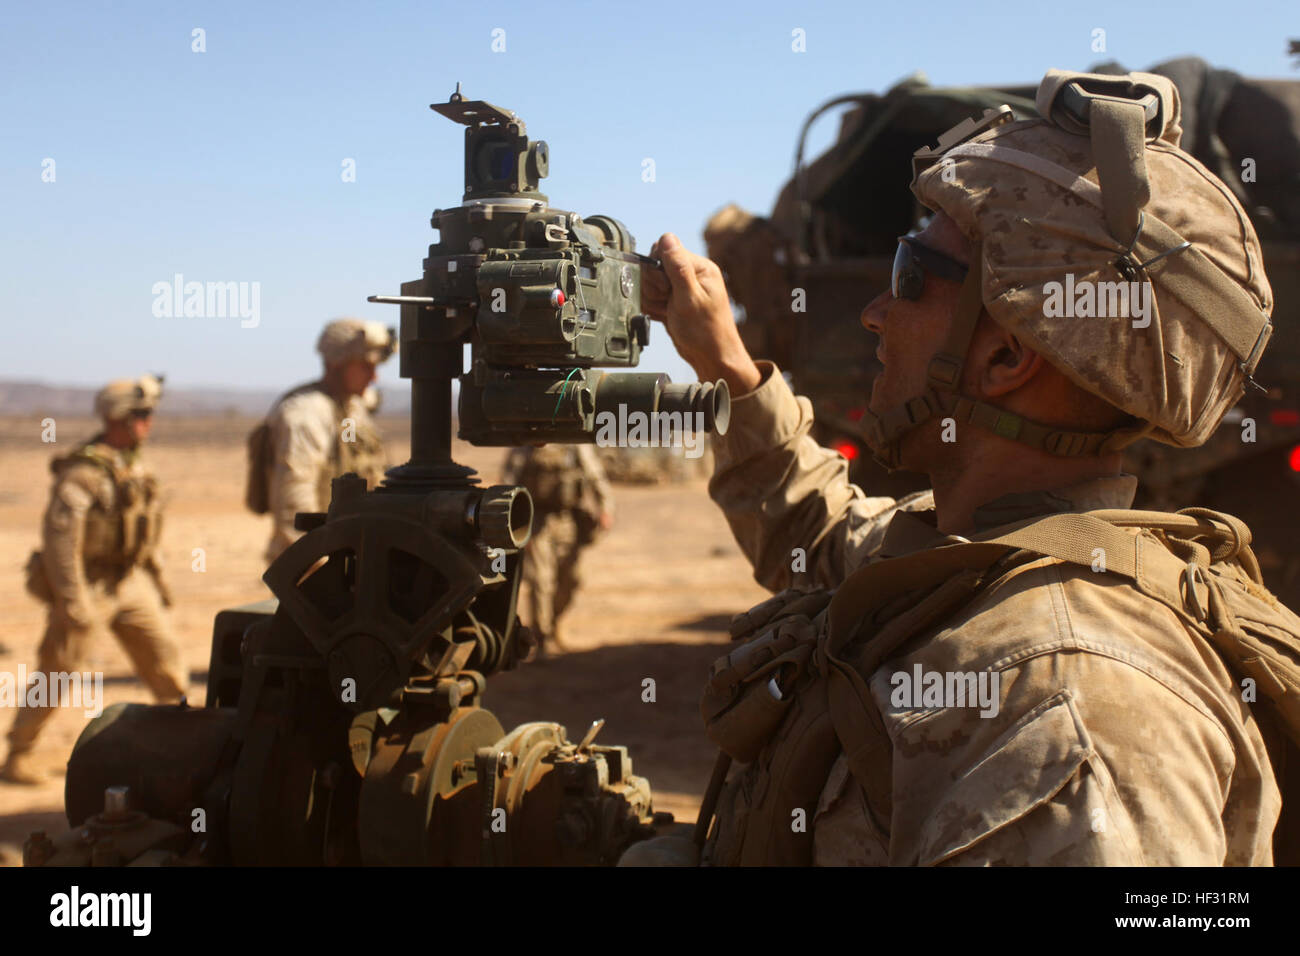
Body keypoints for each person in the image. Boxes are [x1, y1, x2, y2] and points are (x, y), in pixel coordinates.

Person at [624, 69, 1297, 865]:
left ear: (1007, 356)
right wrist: (728, 368)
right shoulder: (976, 558)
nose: (875, 311)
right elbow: (825, 534)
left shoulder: (1066, 713)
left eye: (911, 274)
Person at [2, 375, 187, 785]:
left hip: (130, 581)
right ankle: (20, 752)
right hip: (89, 583)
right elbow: (59, 543)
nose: (147, 421)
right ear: (117, 417)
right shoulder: (83, 473)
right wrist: (72, 601)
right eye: (140, 414)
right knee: (59, 668)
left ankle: (189, 742)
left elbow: (141, 527)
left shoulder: (136, 466)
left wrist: (156, 580)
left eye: (150, 414)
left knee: (166, 661)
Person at [259, 318, 395, 563]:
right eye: (365, 366)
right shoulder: (305, 415)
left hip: (349, 555)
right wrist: (315, 564)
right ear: (337, 363)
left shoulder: (353, 406)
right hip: (315, 565)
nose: (374, 376)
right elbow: (295, 501)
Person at [502, 444, 614, 654]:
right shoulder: (528, 443)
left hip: (567, 520)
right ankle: (542, 637)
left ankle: (553, 624)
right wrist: (516, 522)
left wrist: (606, 507)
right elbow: (509, 482)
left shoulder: (575, 443)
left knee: (571, 579)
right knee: (541, 581)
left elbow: (595, 475)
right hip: (536, 520)